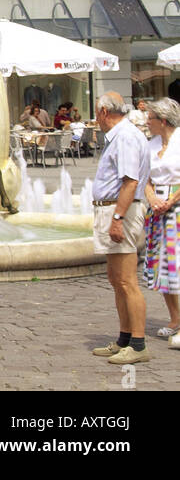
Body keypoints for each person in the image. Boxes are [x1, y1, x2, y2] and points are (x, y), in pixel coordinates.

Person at [90, 91, 152, 365]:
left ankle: (137, 344)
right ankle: (124, 338)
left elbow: (130, 181)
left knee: (127, 281)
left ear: (104, 112)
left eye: (96, 112)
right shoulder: (121, 136)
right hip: (115, 207)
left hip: (120, 209)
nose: (96, 118)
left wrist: (117, 217)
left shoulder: (125, 136)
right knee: (117, 279)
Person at [143, 98, 180, 340]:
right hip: (157, 210)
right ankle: (175, 317)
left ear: (163, 121)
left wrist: (172, 200)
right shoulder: (151, 145)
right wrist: (152, 200)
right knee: (163, 266)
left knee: (177, 262)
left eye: (150, 118)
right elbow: (144, 178)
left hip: (176, 207)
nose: (147, 122)